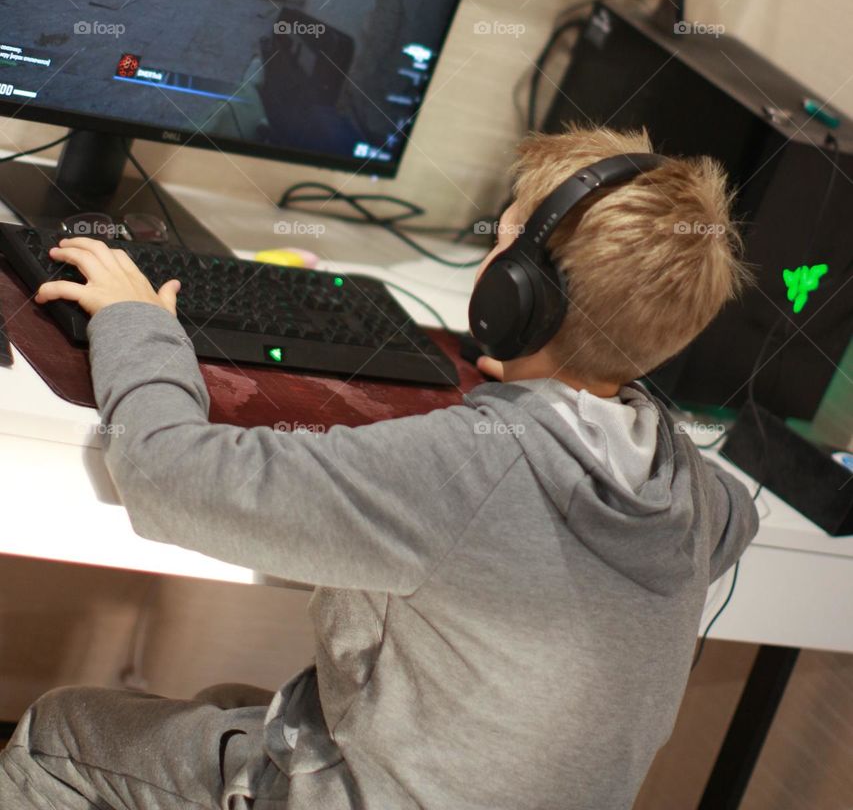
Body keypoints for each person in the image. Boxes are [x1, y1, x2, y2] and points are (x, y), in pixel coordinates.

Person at [0, 124, 759, 810]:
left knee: (62, 732)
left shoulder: (465, 469)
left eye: (502, 240)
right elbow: (741, 517)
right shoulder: (694, 497)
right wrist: (561, 380)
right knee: (231, 704)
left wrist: (135, 321)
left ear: (517, 298)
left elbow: (166, 478)